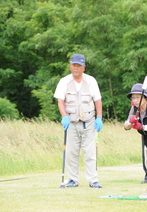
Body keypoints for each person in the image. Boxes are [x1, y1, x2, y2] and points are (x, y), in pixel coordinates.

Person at [54, 54, 103, 188]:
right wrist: (64, 116)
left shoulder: (91, 81)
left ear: (84, 67)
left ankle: (93, 180)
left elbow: (97, 100)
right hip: (71, 122)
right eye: (74, 65)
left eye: (79, 66)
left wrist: (99, 117)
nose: (76, 68)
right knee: (71, 153)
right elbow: (60, 101)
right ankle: (73, 180)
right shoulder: (64, 81)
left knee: (90, 153)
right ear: (70, 66)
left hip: (89, 122)